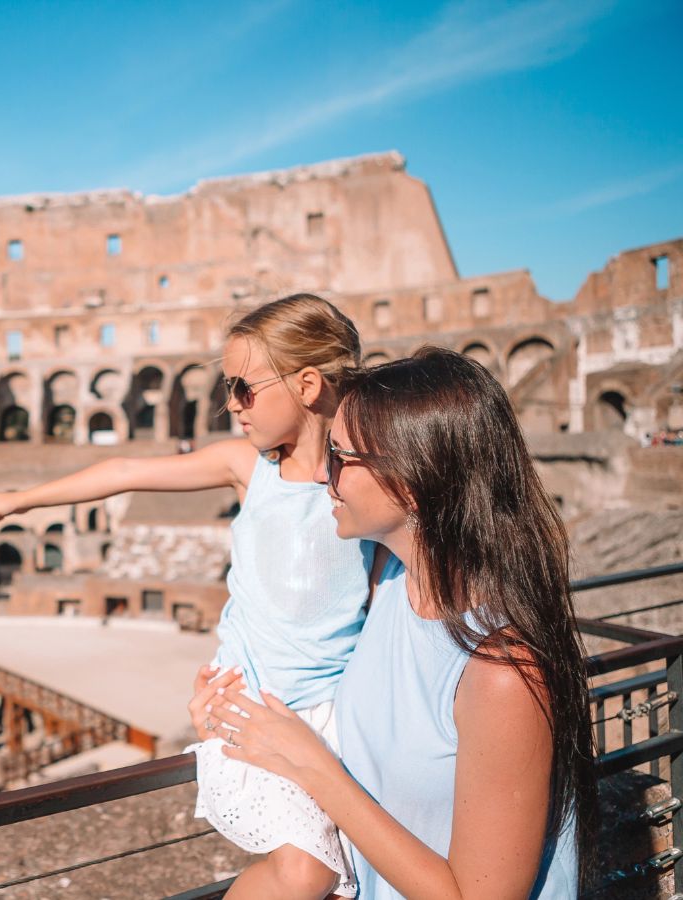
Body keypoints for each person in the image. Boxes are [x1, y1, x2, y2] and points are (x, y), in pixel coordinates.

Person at [0, 294, 374, 898]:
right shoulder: (247, 468)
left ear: (308, 384)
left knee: (347, 878)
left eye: (243, 388)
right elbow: (125, 470)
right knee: (309, 871)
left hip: (340, 714)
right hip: (251, 706)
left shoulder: (368, 481)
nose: (231, 404)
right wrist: (21, 499)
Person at [207, 347, 597, 899]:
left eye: (339, 456)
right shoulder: (390, 583)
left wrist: (315, 768)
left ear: (410, 480)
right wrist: (225, 705)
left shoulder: (502, 672)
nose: (321, 473)